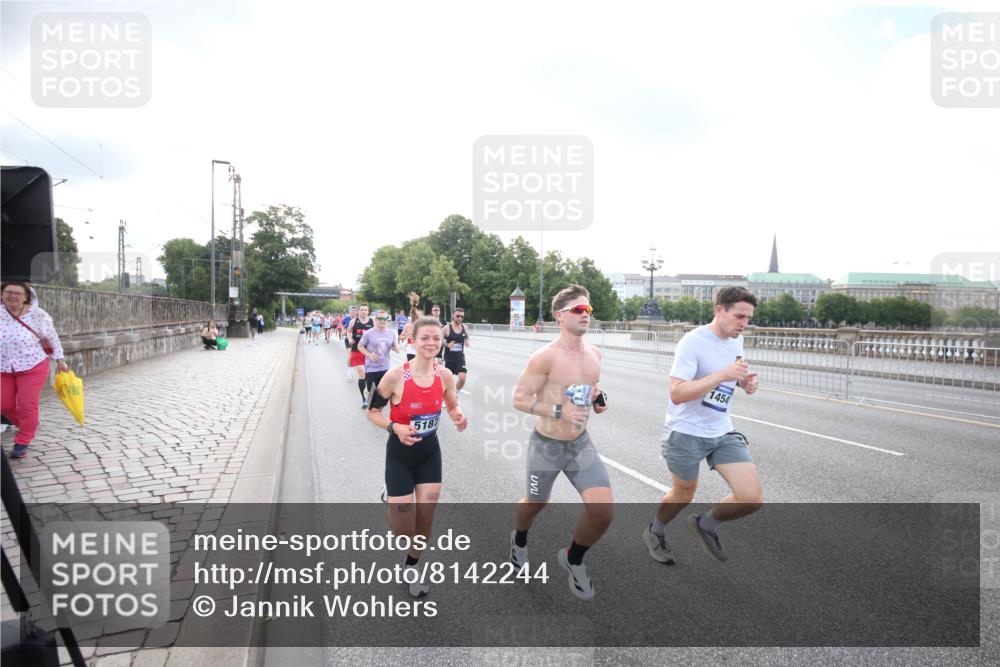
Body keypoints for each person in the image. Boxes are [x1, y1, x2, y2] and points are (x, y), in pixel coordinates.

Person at [643, 286, 762, 566]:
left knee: (751, 498)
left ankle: (705, 525)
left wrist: (744, 383)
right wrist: (723, 375)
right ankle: (655, 531)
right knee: (683, 493)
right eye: (739, 316)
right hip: (685, 432)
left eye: (748, 318)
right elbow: (677, 393)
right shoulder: (692, 342)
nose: (744, 324)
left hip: (722, 430)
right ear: (719, 310)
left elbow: (731, 378)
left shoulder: (736, 341)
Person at [509, 285, 611, 600]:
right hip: (547, 445)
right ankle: (520, 538)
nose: (585, 315)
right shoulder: (545, 357)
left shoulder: (595, 353)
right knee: (536, 503)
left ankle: (573, 558)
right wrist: (559, 410)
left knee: (603, 512)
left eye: (588, 310)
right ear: (559, 316)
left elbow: (592, 385)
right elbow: (519, 399)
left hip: (580, 444)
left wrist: (598, 398)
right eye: (578, 310)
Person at [366, 315, 467, 597]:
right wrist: (394, 426)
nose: (431, 343)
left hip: (429, 454)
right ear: (413, 341)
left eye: (436, 338)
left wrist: (458, 416)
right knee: (403, 526)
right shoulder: (395, 377)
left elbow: (451, 406)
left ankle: (412, 565)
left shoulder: (445, 375)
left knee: (425, 517)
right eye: (425, 338)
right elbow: (372, 412)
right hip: (400, 455)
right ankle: (392, 495)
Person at [1, 281, 70, 459]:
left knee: (27, 405)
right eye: (9, 292)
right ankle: (29, 424)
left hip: (32, 365)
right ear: (2, 295)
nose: (12, 296)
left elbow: (51, 338)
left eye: (17, 293)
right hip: (3, 366)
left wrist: (60, 360)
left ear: (26, 297)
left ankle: (23, 441)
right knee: (4, 404)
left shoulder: (38, 315)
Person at [358, 310, 399, 406]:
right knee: (371, 393)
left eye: (385, 319)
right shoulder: (369, 333)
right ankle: (367, 392)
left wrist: (396, 348)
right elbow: (360, 346)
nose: (382, 321)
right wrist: (369, 354)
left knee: (383, 393)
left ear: (387, 320)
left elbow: (394, 345)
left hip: (386, 367)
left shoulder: (391, 333)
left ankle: (376, 410)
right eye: (380, 319)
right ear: (375, 320)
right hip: (371, 368)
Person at [348, 305, 374, 407]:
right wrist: (350, 338)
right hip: (357, 350)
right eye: (362, 310)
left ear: (368, 311)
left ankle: (369, 394)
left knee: (369, 376)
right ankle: (364, 399)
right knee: (362, 373)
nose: (363, 311)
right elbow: (349, 331)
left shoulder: (373, 322)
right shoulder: (353, 321)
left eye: (365, 310)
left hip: (369, 352)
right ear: (358, 311)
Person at [441, 308, 470, 392]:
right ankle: (444, 397)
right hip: (449, 358)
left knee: (462, 378)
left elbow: (467, 336)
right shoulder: (447, 328)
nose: (460, 318)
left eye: (462, 317)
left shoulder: (465, 327)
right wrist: (447, 345)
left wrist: (467, 341)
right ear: (453, 315)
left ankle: (455, 393)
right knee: (447, 382)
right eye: (457, 316)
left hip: (460, 358)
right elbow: (440, 341)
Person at [343, 305, 357, 380]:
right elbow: (343, 325)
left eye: (355, 310)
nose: (353, 312)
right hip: (348, 339)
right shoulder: (346, 318)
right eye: (352, 310)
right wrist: (343, 330)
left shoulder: (359, 319)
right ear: (349, 311)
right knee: (351, 355)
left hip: (357, 340)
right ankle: (349, 370)